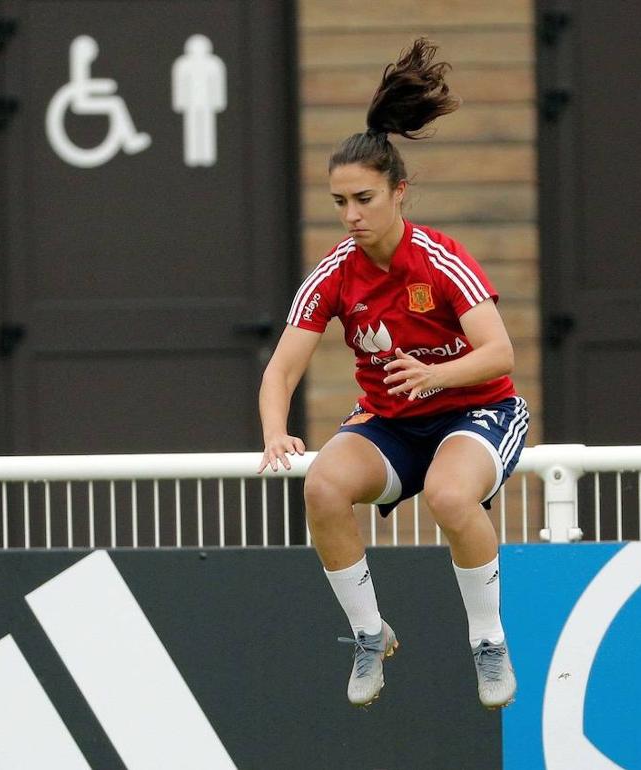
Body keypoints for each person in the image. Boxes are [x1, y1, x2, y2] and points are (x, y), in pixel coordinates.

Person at [257, 38, 528, 709]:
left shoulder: (440, 258)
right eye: (340, 201)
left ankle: (488, 642)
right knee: (322, 487)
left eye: (364, 198)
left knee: (449, 496)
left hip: (478, 414)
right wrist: (274, 432)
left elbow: (500, 355)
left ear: (399, 192)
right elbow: (280, 370)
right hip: (393, 425)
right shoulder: (334, 272)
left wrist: (436, 378)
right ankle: (370, 635)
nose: (351, 215)